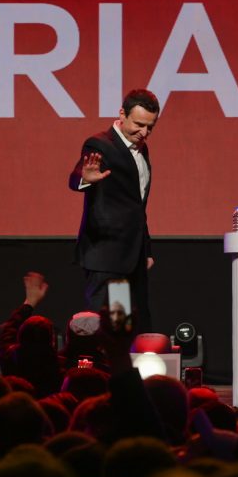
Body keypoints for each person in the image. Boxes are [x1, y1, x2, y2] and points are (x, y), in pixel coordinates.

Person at [69, 88, 160, 332]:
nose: (144, 133)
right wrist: (85, 178)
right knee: (100, 330)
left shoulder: (142, 148)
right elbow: (75, 178)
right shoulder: (100, 144)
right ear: (122, 114)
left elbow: (136, 207)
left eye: (150, 127)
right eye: (139, 125)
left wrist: (146, 250)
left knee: (125, 330)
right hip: (106, 256)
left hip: (132, 258)